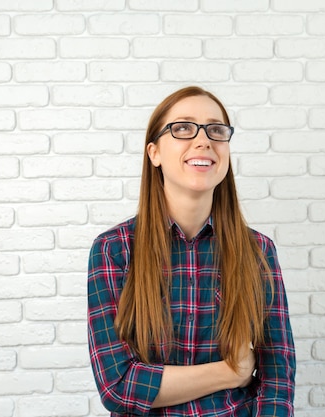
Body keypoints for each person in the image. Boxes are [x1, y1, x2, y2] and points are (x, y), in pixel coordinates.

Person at [87, 86, 295, 416]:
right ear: (153, 153)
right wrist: (230, 372)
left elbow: (278, 382)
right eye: (183, 128)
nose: (203, 140)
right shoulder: (114, 250)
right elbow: (118, 387)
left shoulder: (259, 252)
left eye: (216, 129)